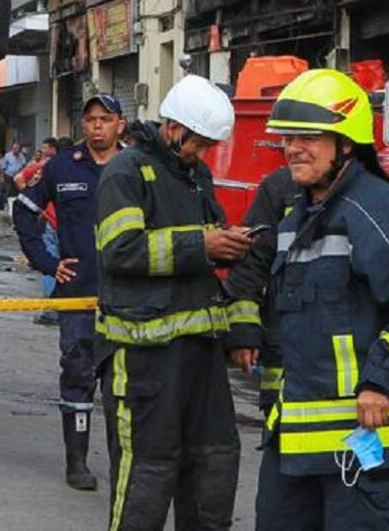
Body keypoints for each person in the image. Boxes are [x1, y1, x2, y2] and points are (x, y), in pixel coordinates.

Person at [255, 69, 389, 530]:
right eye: (288, 137)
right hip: (300, 441)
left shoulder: (374, 207)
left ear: (346, 144)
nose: (293, 148)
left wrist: (381, 383)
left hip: (368, 443)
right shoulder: (297, 216)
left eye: (310, 137)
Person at [94, 75, 252, 531]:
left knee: (214, 463)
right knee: (148, 470)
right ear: (173, 127)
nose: (202, 155)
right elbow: (120, 249)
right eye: (198, 144)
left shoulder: (195, 175)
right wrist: (203, 246)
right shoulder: (125, 173)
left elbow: (208, 236)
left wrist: (229, 241)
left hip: (199, 352)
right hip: (142, 357)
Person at [17, 94, 126, 491]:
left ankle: (123, 464)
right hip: (78, 295)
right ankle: (76, 462)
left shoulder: (137, 166)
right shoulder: (63, 166)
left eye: (105, 119)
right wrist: (48, 264)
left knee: (125, 386)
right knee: (78, 376)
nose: (97, 126)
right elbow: (25, 209)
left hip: (128, 299)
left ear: (120, 125)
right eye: (91, 119)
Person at [224, 166, 300, 415]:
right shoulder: (280, 186)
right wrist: (244, 331)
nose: (294, 149)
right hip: (282, 352)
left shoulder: (371, 196)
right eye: (290, 140)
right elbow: (251, 264)